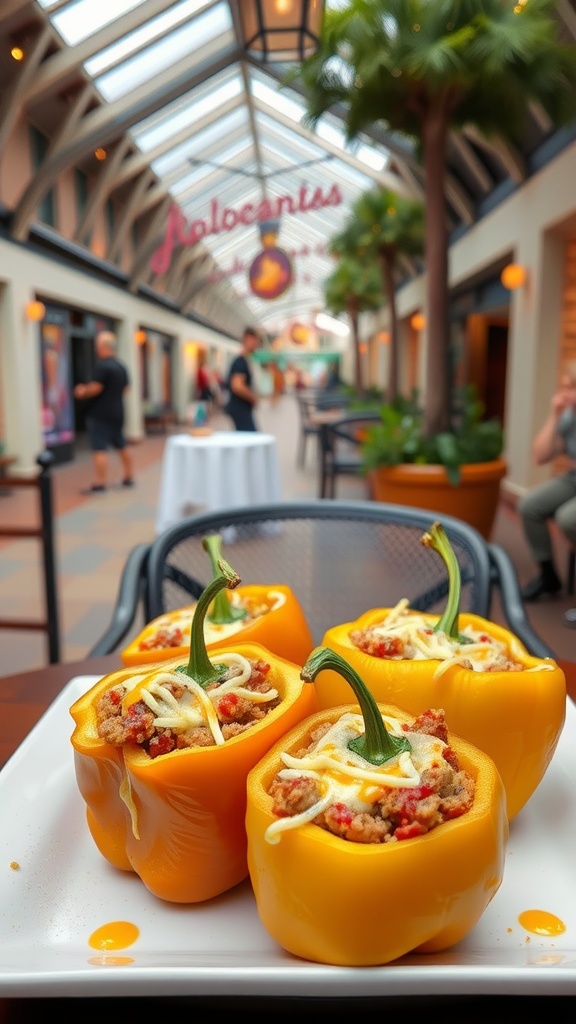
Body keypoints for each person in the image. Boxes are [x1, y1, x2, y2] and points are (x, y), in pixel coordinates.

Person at [518, 360, 576, 601]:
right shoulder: (569, 416)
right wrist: (554, 415)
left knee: (568, 519)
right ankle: (548, 576)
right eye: (564, 387)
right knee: (529, 505)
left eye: (571, 388)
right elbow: (540, 456)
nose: (565, 394)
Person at [74, 329, 134, 494]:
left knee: (99, 447)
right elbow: (126, 389)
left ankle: (100, 483)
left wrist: (81, 391)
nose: (96, 349)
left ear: (103, 346)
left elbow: (95, 388)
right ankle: (129, 477)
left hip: (100, 414)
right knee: (121, 443)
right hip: (118, 411)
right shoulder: (121, 366)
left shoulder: (102, 366)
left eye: (97, 345)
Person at [224, 327, 261, 431]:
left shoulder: (243, 361)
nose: (256, 343)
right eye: (255, 340)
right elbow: (237, 386)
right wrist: (253, 397)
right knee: (251, 438)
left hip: (241, 408)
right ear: (247, 340)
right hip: (239, 408)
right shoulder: (240, 362)